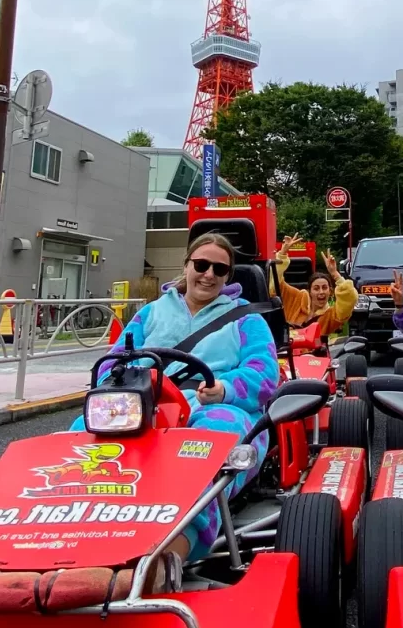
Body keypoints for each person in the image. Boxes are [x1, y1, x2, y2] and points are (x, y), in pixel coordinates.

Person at [71, 232, 280, 564]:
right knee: (80, 434)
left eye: (219, 269)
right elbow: (112, 363)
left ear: (228, 276)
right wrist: (121, 386)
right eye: (201, 265)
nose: (208, 274)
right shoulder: (151, 313)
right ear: (186, 266)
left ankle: (170, 555)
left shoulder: (246, 319)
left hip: (215, 405)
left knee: (208, 447)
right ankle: (59, 533)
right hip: (145, 405)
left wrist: (224, 388)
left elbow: (265, 373)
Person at [271, 234, 357, 336]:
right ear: (310, 292)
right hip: (286, 345)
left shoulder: (331, 315)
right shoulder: (296, 298)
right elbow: (274, 285)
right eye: (316, 288)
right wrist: (282, 254)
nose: (321, 292)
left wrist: (335, 274)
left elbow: (350, 299)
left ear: (330, 292)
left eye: (324, 288)